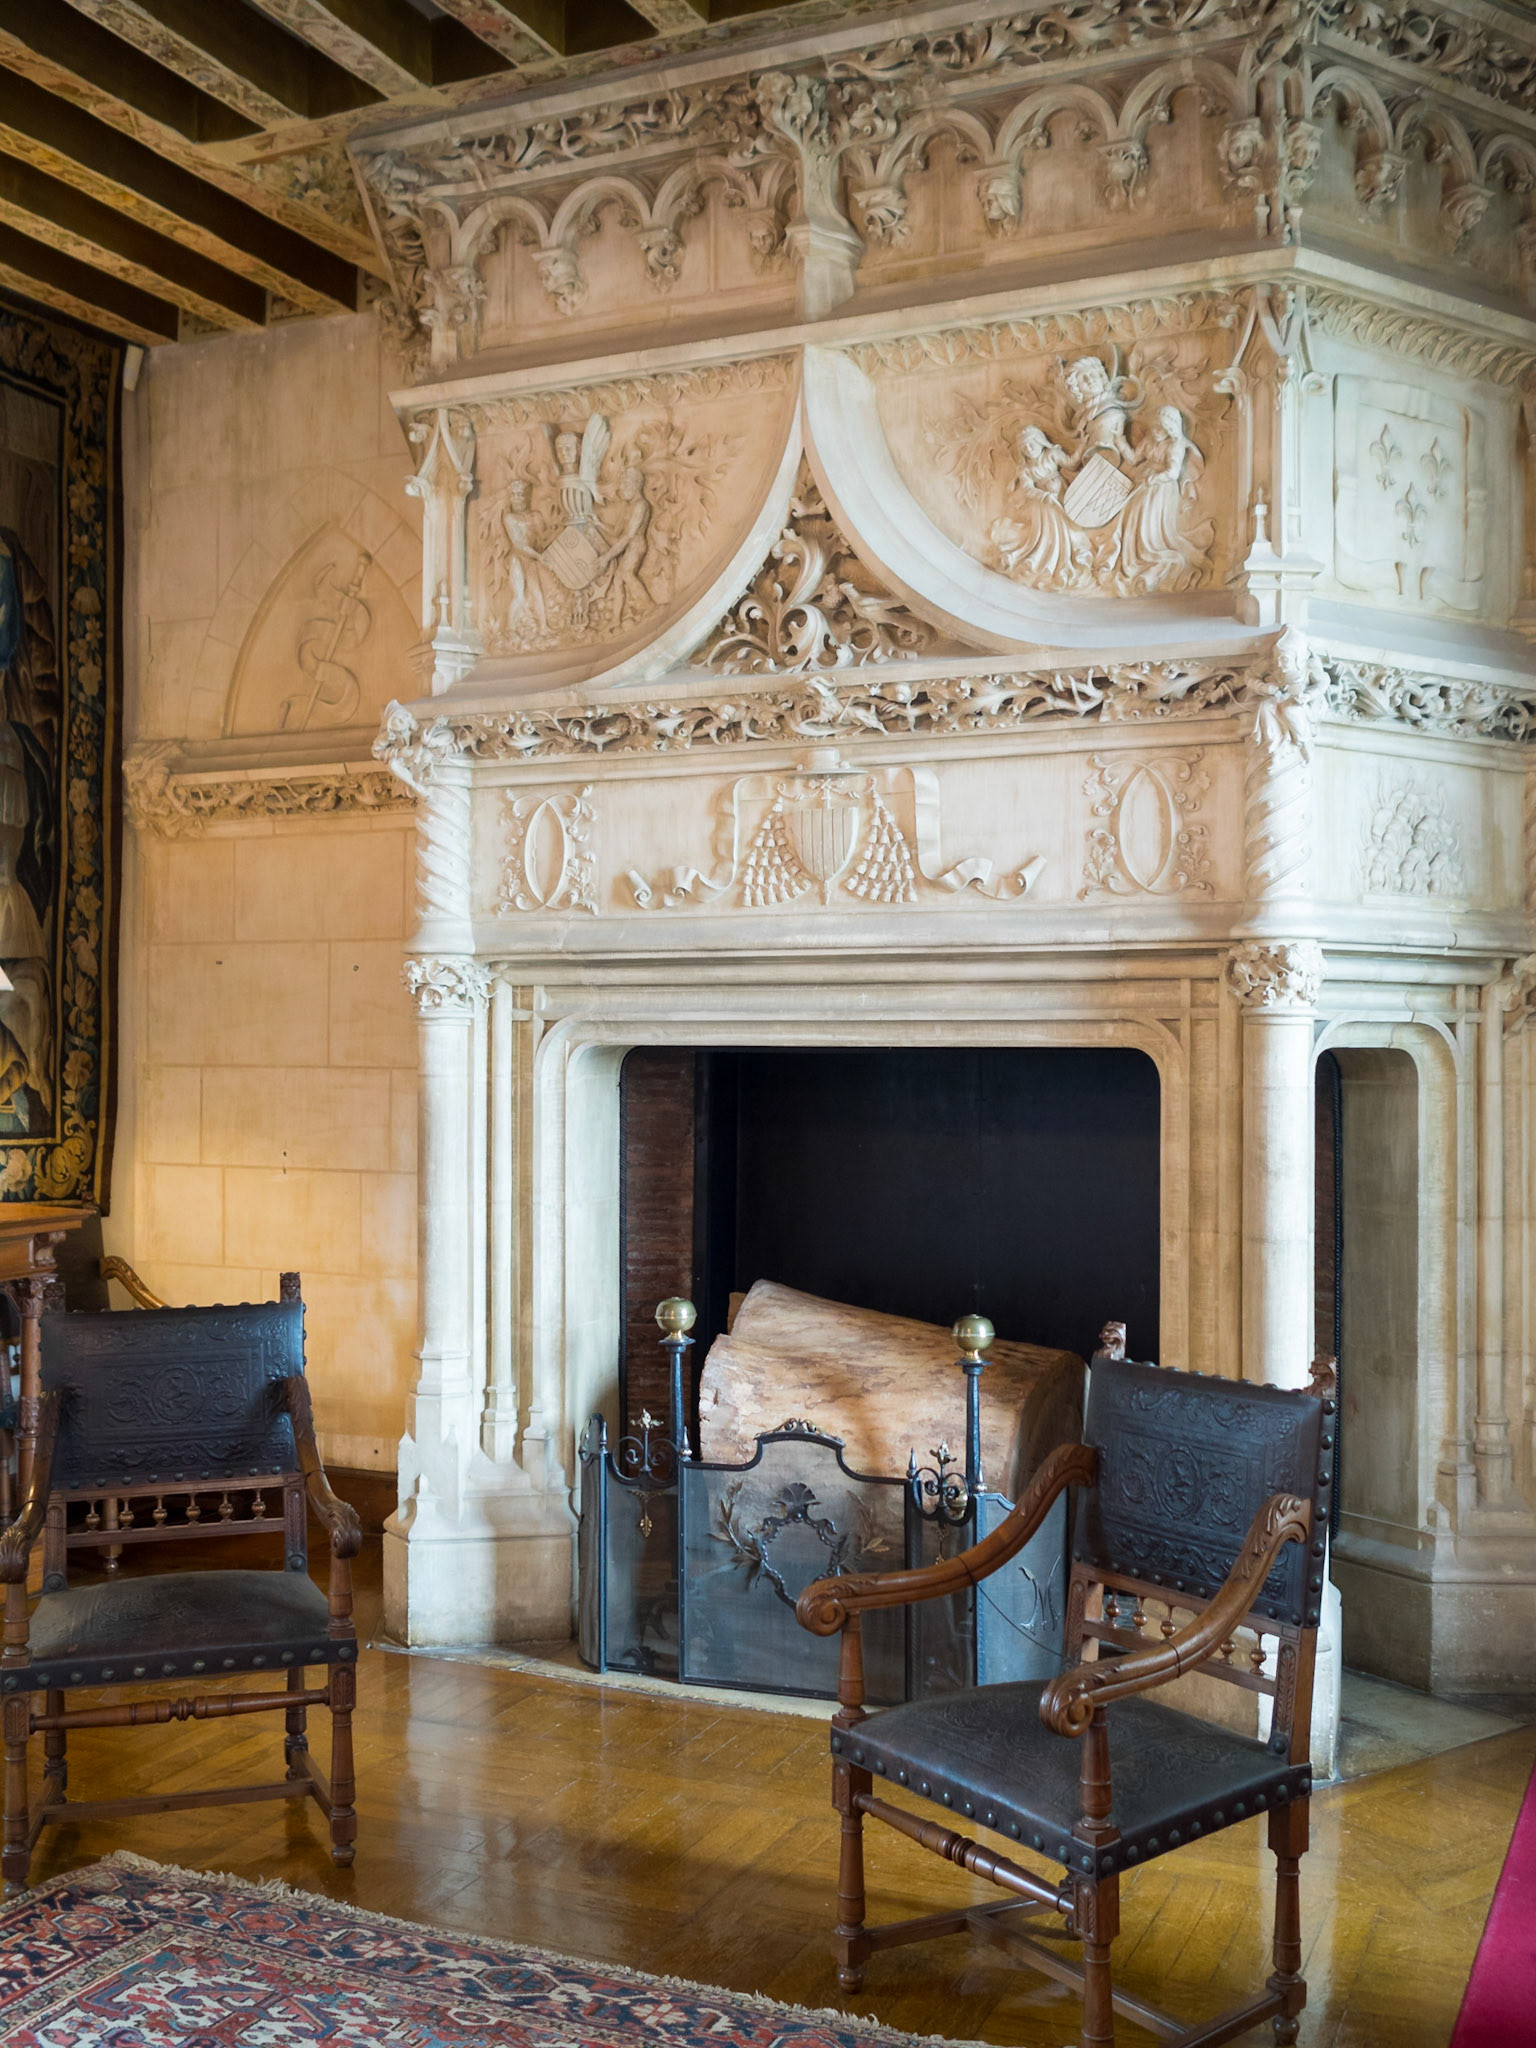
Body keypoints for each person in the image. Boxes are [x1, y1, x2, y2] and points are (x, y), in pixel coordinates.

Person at [1114, 405, 1215, 594]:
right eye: (1154, 426)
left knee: (1150, 524)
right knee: (1132, 517)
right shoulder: (1150, 440)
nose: (1156, 431)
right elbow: (1134, 459)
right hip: (1144, 484)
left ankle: (1150, 553)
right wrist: (1120, 441)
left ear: (1170, 428)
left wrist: (1155, 478)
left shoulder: (1175, 445)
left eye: (1161, 428)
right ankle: (1134, 555)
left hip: (1161, 489)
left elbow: (1173, 472)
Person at [990, 424, 1089, 585]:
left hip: (1061, 496)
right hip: (1043, 505)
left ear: (1040, 442)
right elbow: (1028, 489)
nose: (1029, 449)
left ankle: (1069, 555)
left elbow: (1071, 464)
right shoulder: (1025, 469)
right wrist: (1044, 497)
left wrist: (1082, 445)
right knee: (1048, 533)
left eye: (1031, 444)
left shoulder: (1052, 454)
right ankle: (1048, 560)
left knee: (1067, 527)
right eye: (1025, 447)